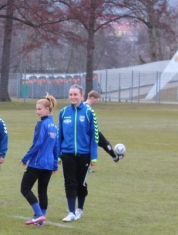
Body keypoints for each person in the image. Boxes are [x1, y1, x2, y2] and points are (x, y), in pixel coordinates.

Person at [57, 84, 99, 222]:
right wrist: (58, 154)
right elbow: (59, 135)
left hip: (84, 154)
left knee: (81, 183)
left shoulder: (88, 112)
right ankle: (71, 212)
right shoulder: (63, 113)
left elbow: (94, 135)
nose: (73, 97)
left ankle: (79, 209)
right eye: (71, 94)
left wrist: (94, 156)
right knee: (69, 182)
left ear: (81, 96)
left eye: (75, 94)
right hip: (67, 153)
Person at [19, 94, 59, 226]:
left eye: (39, 109)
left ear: (47, 109)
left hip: (37, 163)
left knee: (25, 188)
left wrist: (26, 158)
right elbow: (56, 147)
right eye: (36, 109)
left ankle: (39, 215)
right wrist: (54, 165)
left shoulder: (41, 124)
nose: (37, 112)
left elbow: (37, 144)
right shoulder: (53, 125)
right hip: (48, 165)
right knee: (42, 191)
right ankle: (40, 221)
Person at [86, 90, 123, 164]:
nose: (96, 102)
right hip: (92, 131)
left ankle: (114, 157)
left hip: (88, 131)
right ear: (92, 98)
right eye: (96, 99)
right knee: (105, 143)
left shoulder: (83, 105)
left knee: (92, 146)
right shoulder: (87, 107)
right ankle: (115, 157)